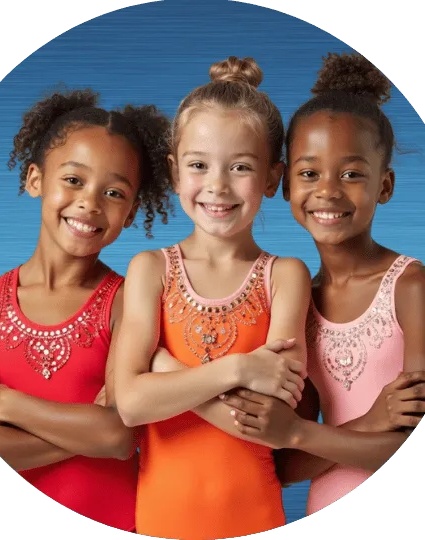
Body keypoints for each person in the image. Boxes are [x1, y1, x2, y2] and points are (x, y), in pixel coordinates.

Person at [220, 52, 425, 516]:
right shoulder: (295, 301)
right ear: (285, 187)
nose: (328, 190)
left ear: (384, 186)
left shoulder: (413, 286)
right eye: (309, 173)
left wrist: (301, 434)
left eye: (352, 174)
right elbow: (285, 467)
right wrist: (370, 422)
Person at [0, 88, 172, 530]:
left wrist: (7, 403)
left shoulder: (131, 301)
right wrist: (92, 434)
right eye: (73, 180)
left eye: (114, 192)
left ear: (131, 213)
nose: (90, 202)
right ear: (35, 180)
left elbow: (118, 434)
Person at [113, 56, 311, 539]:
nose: (217, 186)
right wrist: (238, 369)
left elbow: (272, 419)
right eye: (199, 165)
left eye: (240, 166)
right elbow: (131, 405)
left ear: (271, 177)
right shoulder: (149, 269)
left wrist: (163, 370)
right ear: (175, 171)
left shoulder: (285, 276)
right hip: (162, 516)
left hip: (256, 516)